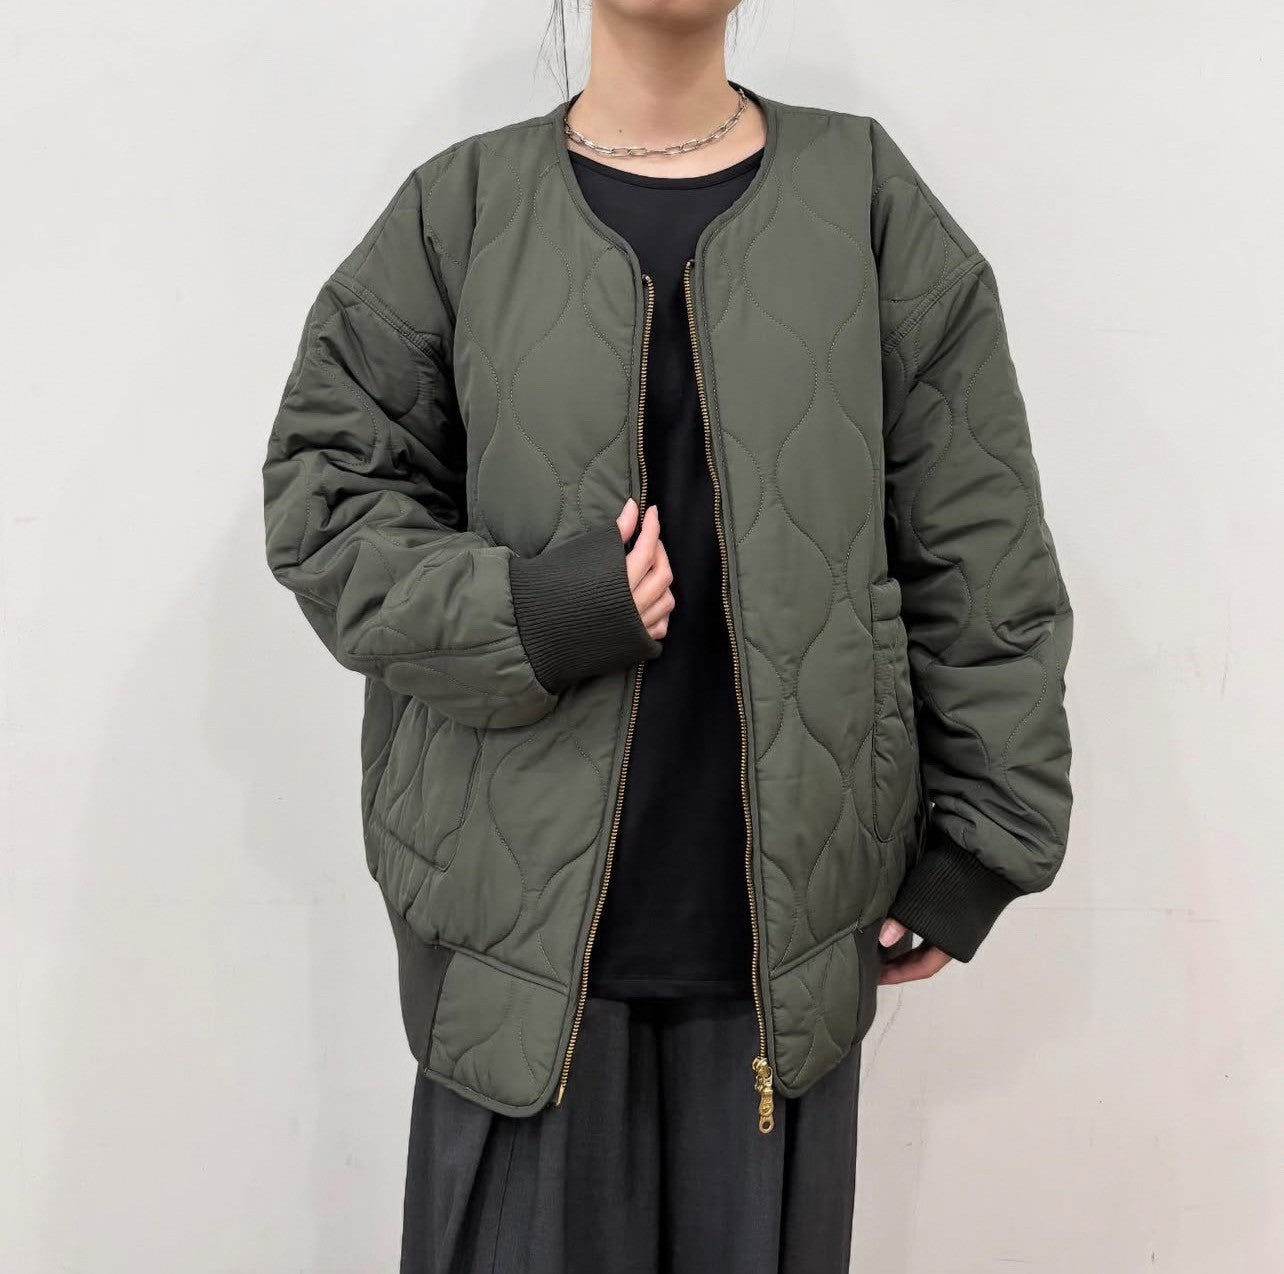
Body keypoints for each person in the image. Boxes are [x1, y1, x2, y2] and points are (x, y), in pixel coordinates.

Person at [260, 3, 1074, 1270]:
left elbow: (981, 545)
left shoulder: (865, 201)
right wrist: (540, 611)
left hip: (779, 961)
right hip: (516, 955)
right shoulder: (459, 212)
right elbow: (325, 506)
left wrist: (979, 843)